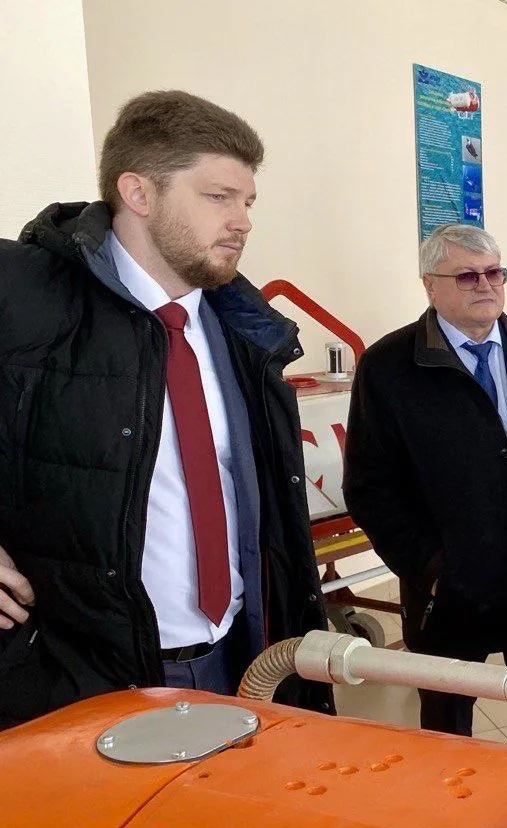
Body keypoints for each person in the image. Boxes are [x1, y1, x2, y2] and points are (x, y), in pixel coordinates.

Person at [0, 90, 332, 728]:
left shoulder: (244, 331)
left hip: (243, 656)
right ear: (137, 192)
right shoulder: (26, 297)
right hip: (81, 679)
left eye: (247, 202)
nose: (242, 222)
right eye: (218, 197)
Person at [344, 224, 507, 753]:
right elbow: (370, 487)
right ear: (430, 285)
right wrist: (431, 571)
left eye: (495, 273)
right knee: (447, 739)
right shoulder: (389, 367)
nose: (486, 285)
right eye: (468, 276)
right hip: (451, 596)